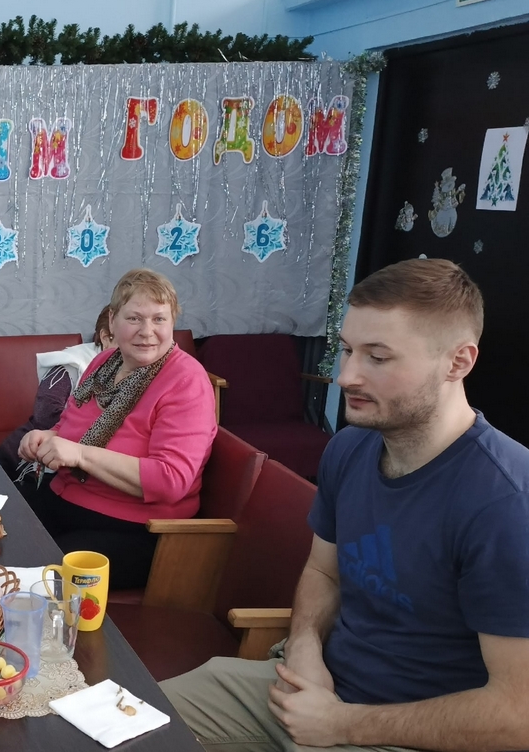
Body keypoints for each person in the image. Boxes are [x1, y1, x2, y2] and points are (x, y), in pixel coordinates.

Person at [161, 258, 529, 752]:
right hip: (315, 689)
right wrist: (305, 646)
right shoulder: (349, 448)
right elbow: (324, 572)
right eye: (347, 350)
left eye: (377, 357)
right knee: (123, 725)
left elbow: (517, 715)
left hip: (410, 730)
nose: (345, 376)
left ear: (458, 362)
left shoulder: (506, 503)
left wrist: (343, 725)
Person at [19, 268, 216, 590]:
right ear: (112, 321)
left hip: (136, 529)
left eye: (159, 319)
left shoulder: (186, 380)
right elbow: (70, 424)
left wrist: (80, 455)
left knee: (33, 576)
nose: (147, 332)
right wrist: (49, 436)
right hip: (67, 498)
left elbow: (171, 480)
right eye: (134, 318)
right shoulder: (105, 362)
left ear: (173, 322)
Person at [0, 305, 114, 479]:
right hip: (31, 456)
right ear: (105, 337)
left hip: (92, 464)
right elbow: (45, 416)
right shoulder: (72, 363)